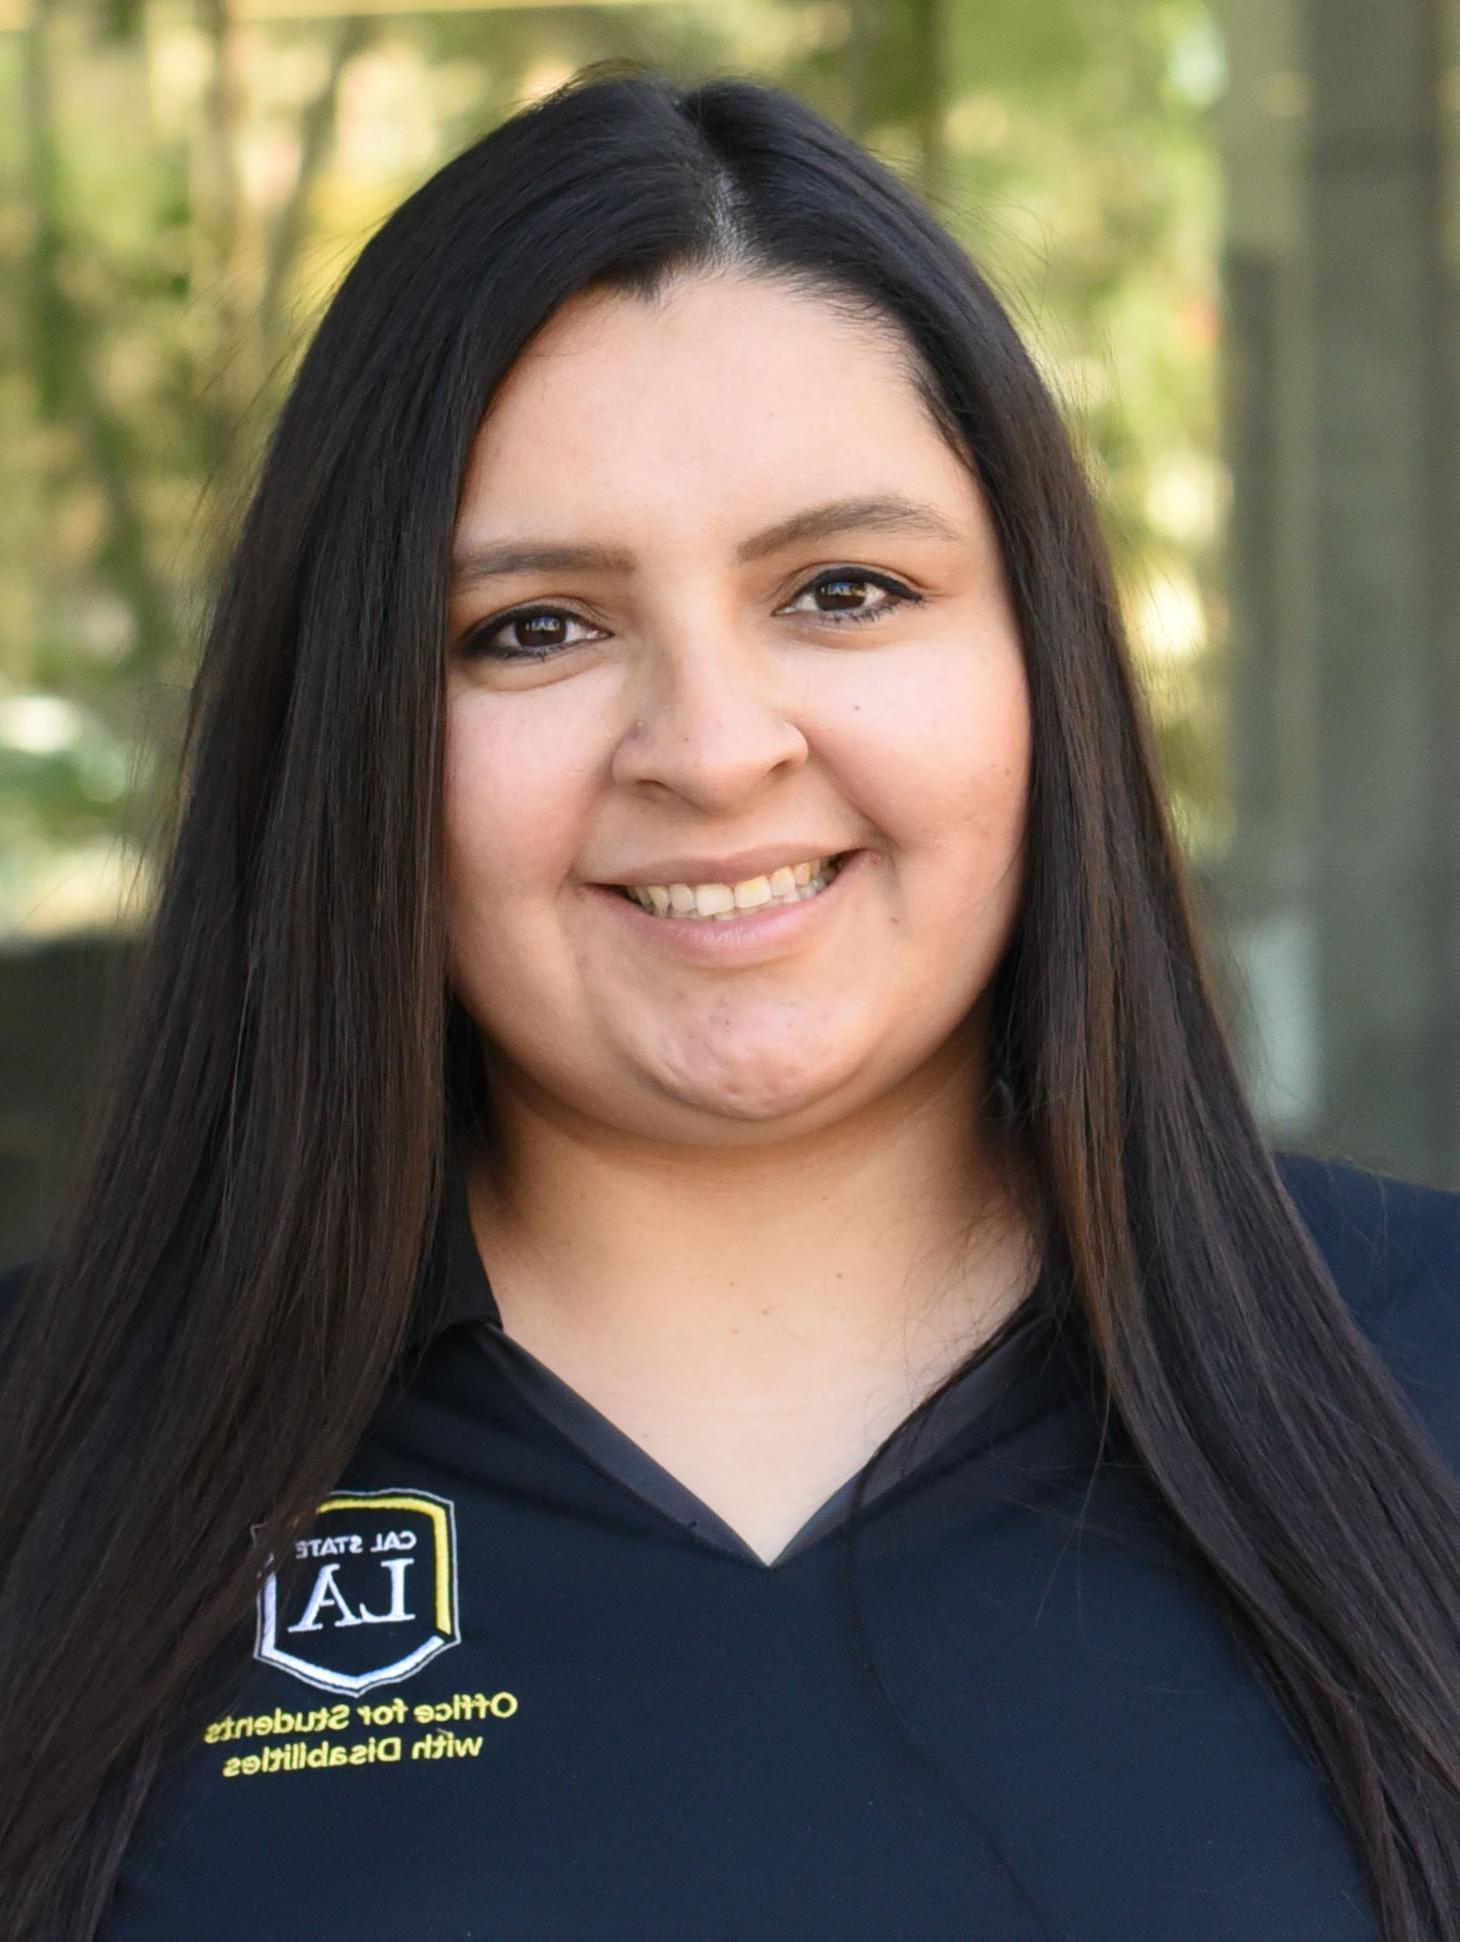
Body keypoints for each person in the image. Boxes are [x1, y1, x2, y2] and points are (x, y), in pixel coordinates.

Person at [1, 60, 1458, 1942]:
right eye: (533, 627)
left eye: (845, 589)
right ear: (351, 735)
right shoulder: (49, 1475)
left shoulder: (1421, 1374)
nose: (710, 745)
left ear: (1045, 670)